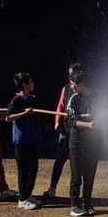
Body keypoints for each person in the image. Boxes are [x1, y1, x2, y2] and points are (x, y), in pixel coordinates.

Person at [44, 62, 82, 198]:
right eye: (69, 74)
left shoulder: (85, 90)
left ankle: (76, 193)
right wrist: (57, 122)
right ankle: (52, 188)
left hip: (79, 130)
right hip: (65, 130)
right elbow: (60, 105)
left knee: (77, 163)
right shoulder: (65, 88)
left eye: (73, 74)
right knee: (60, 160)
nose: (70, 77)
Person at [7, 72, 42, 210]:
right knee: (23, 170)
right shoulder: (16, 100)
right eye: (30, 82)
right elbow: (8, 118)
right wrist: (24, 113)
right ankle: (22, 199)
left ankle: (28, 195)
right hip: (21, 140)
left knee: (34, 168)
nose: (33, 84)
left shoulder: (32, 99)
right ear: (24, 85)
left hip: (32, 139)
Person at [65, 70, 98, 217]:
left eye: (74, 84)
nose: (71, 87)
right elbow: (71, 121)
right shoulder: (74, 98)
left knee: (89, 175)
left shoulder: (96, 97)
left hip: (93, 142)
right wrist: (87, 125)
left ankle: (88, 203)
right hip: (77, 142)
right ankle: (75, 205)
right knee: (76, 175)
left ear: (82, 84)